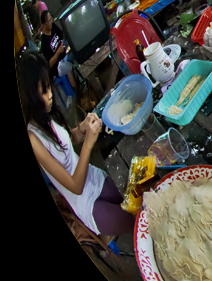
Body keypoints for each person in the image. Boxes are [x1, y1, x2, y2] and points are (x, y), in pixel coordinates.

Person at [20, 51, 135, 237]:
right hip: (85, 202)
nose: (50, 96)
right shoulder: (33, 139)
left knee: (136, 201)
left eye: (49, 87)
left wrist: (82, 128)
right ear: (29, 97)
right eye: (44, 92)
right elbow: (75, 186)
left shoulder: (46, 117)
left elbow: (68, 140)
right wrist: (88, 143)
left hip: (93, 177)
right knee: (135, 222)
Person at [39, 9, 67, 80]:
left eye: (51, 19)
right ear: (44, 25)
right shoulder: (44, 43)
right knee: (68, 67)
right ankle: (76, 88)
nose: (51, 22)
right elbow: (50, 64)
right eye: (49, 21)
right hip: (58, 66)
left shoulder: (53, 26)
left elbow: (62, 35)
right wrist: (58, 52)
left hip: (65, 54)